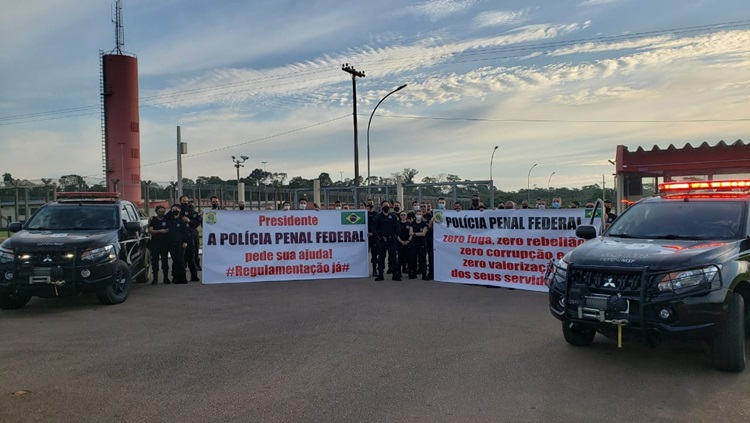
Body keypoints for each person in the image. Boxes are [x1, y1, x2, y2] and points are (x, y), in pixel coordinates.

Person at [372, 200, 401, 281]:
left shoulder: (394, 216)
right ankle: (380, 274)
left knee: (393, 258)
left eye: (387, 205)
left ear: (390, 206)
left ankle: (395, 274)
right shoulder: (377, 217)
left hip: (392, 241)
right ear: (381, 207)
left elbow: (398, 228)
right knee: (381, 258)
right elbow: (374, 228)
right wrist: (379, 237)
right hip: (382, 241)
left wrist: (395, 236)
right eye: (384, 205)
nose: (386, 207)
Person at [167, 204, 191, 284]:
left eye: (176, 209)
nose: (174, 211)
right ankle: (175, 278)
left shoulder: (183, 220)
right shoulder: (169, 220)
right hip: (171, 244)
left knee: (181, 261)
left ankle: (183, 278)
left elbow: (187, 232)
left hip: (181, 244)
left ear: (179, 210)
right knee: (175, 261)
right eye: (173, 209)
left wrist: (185, 242)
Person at [179, 195, 201, 282]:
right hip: (179, 237)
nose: (185, 203)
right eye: (183, 201)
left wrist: (189, 221)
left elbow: (197, 223)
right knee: (181, 258)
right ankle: (182, 277)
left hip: (190, 236)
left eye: (186, 201)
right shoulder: (177, 210)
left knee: (191, 257)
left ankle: (194, 276)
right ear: (180, 201)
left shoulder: (192, 211)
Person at [148, 205, 170, 284]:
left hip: (164, 244)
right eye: (160, 212)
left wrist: (156, 231)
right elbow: (150, 230)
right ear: (156, 212)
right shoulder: (153, 220)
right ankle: (155, 278)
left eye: (163, 212)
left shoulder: (167, 220)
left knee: (165, 262)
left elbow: (168, 230)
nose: (161, 213)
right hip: (155, 244)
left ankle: (166, 278)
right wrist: (160, 231)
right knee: (155, 262)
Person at [409, 209, 429, 279]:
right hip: (414, 243)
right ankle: (413, 273)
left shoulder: (424, 224)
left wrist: (414, 233)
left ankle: (424, 274)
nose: (419, 215)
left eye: (420, 214)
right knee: (413, 258)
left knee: (422, 259)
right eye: (417, 214)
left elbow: (423, 234)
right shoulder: (412, 223)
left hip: (422, 243)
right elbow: (410, 233)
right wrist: (416, 234)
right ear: (415, 215)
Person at [396, 211, 412, 276]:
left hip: (408, 243)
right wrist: (401, 241)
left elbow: (411, 233)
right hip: (400, 243)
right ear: (400, 216)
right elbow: (396, 234)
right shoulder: (397, 224)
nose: (403, 216)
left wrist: (408, 241)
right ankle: (399, 273)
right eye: (402, 215)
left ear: (406, 216)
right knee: (400, 258)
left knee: (409, 258)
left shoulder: (409, 224)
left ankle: (410, 272)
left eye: (404, 215)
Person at [423, 202, 434, 281]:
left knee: (430, 256)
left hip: (429, 238)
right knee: (422, 257)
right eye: (421, 206)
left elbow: (430, 227)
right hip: (421, 239)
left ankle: (431, 273)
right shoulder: (418, 215)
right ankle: (423, 273)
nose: (423, 208)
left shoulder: (430, 216)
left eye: (424, 206)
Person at [366, 203, 378, 276]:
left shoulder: (376, 215)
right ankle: (364, 270)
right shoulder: (362, 214)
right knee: (364, 255)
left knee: (374, 255)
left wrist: (373, 233)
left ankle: (374, 270)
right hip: (364, 237)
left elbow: (378, 226)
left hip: (373, 237)